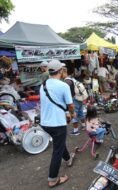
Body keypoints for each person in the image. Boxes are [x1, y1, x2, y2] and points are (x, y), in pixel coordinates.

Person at [40, 59, 75, 188]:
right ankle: (52, 179)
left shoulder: (43, 85)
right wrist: (72, 114)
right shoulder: (63, 85)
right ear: (61, 70)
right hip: (57, 124)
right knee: (57, 150)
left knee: (58, 142)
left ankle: (68, 159)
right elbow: (70, 105)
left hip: (45, 123)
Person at [62, 67, 86, 136]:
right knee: (81, 112)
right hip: (79, 97)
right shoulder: (71, 79)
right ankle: (84, 125)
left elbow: (68, 93)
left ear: (64, 72)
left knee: (74, 114)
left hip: (74, 99)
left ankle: (76, 131)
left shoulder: (67, 81)